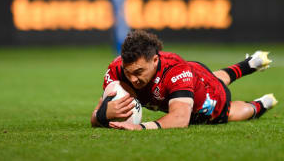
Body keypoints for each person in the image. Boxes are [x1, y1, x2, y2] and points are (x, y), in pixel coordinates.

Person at [91, 30, 278, 130]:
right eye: (128, 72)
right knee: (212, 78)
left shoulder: (174, 70)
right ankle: (250, 64)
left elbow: (180, 119)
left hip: (205, 99)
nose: (132, 79)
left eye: (139, 71)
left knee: (227, 111)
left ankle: (261, 104)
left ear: (155, 60)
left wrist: (141, 127)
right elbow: (96, 114)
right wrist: (102, 115)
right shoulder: (116, 69)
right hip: (194, 76)